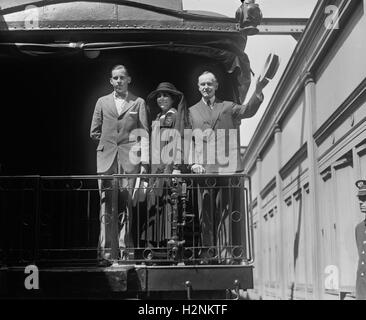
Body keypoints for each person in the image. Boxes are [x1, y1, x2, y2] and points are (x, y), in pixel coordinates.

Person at [189, 71, 267, 264]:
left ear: (216, 86)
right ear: (198, 87)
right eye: (202, 84)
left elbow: (248, 110)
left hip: (226, 167)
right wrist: (193, 162)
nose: (206, 87)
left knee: (225, 211)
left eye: (209, 83)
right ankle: (207, 252)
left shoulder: (228, 107)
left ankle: (225, 253)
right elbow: (187, 138)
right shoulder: (191, 111)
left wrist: (258, 90)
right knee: (205, 213)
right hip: (204, 169)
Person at [90, 65, 149, 262]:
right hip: (106, 160)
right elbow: (94, 131)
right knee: (106, 206)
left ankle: (125, 253)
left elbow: (144, 134)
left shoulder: (138, 102)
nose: (119, 81)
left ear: (129, 79)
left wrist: (143, 162)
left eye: (122, 77)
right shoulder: (102, 101)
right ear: (110, 81)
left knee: (126, 206)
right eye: (115, 78)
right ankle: (106, 253)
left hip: (129, 161)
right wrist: (109, 143)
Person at [143, 82, 190, 247]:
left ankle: (166, 250)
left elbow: (178, 141)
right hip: (156, 168)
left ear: (172, 99)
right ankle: (155, 249)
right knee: (155, 205)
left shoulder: (174, 116)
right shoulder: (158, 117)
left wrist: (176, 166)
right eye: (159, 96)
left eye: (165, 95)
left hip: (168, 167)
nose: (161, 99)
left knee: (168, 206)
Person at [355, 180, 366, 300]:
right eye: (360, 198)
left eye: (365, 199)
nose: (361, 202)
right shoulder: (359, 228)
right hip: (362, 289)